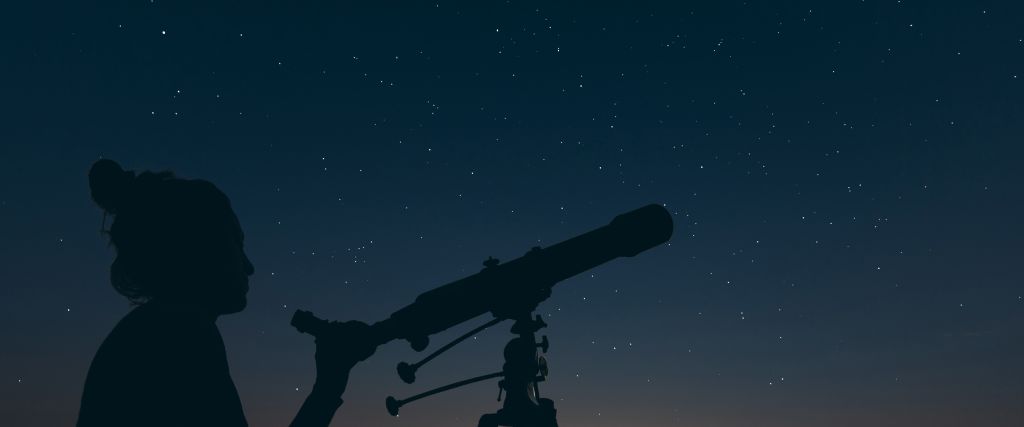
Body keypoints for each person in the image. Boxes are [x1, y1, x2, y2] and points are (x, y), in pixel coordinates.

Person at [78, 159, 374, 427]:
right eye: (237, 244)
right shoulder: (181, 335)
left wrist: (328, 385)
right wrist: (327, 387)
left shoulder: (154, 330)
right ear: (201, 249)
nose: (249, 266)